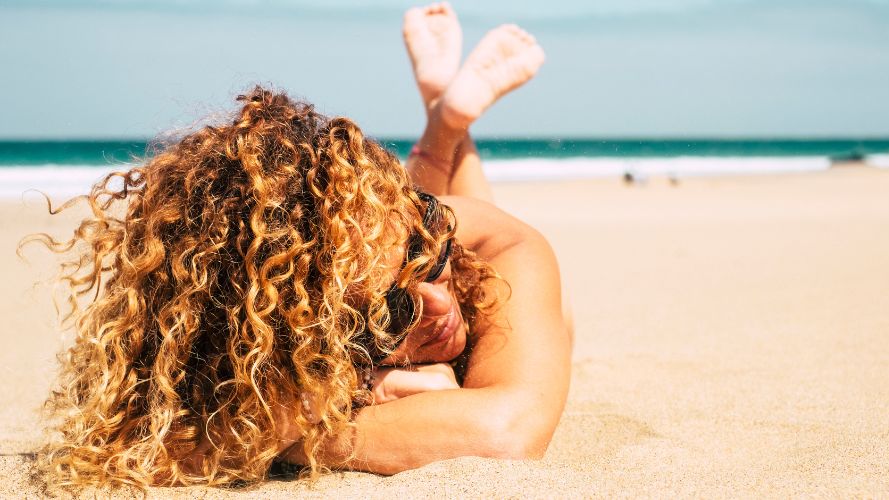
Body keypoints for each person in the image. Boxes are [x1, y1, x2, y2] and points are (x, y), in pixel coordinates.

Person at [31, 3, 571, 489]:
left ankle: (445, 121)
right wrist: (357, 390)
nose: (437, 303)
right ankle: (447, 113)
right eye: (393, 310)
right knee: (389, 245)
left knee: (467, 251)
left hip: (474, 237)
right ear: (302, 327)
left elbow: (509, 431)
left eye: (428, 257)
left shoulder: (481, 242)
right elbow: (150, 444)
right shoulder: (279, 328)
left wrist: (303, 426)